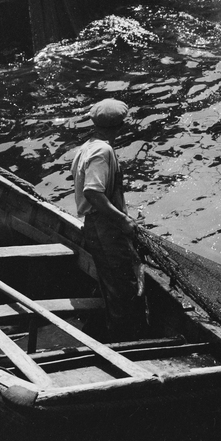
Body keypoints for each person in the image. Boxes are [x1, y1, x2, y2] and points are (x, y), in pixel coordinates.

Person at [71, 98, 147, 338]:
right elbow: (92, 192)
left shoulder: (86, 147)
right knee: (123, 287)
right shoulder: (103, 151)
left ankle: (117, 332)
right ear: (121, 126)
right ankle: (124, 339)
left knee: (113, 283)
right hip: (104, 227)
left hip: (95, 225)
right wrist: (123, 220)